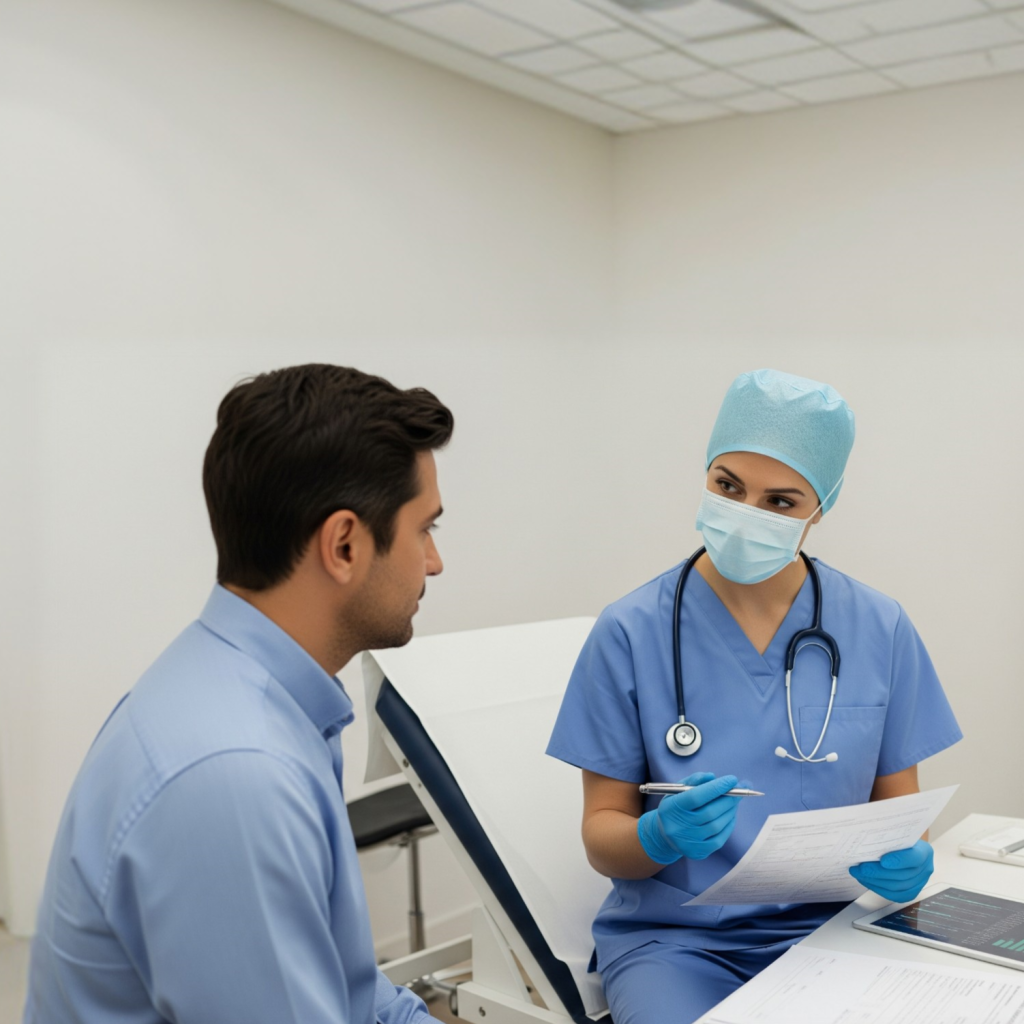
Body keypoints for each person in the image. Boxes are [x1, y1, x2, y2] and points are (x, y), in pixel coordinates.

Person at [24, 364, 453, 1024]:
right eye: (425, 530)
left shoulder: (256, 698)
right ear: (344, 544)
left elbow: (354, 992)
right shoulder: (236, 773)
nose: (434, 562)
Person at [546, 369, 962, 1024]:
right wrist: (658, 836)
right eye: (729, 486)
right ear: (707, 474)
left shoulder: (880, 628)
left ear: (820, 507)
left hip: (838, 931)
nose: (746, 514)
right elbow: (602, 836)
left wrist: (907, 863)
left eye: (781, 501)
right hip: (677, 942)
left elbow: (900, 815)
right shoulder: (629, 630)